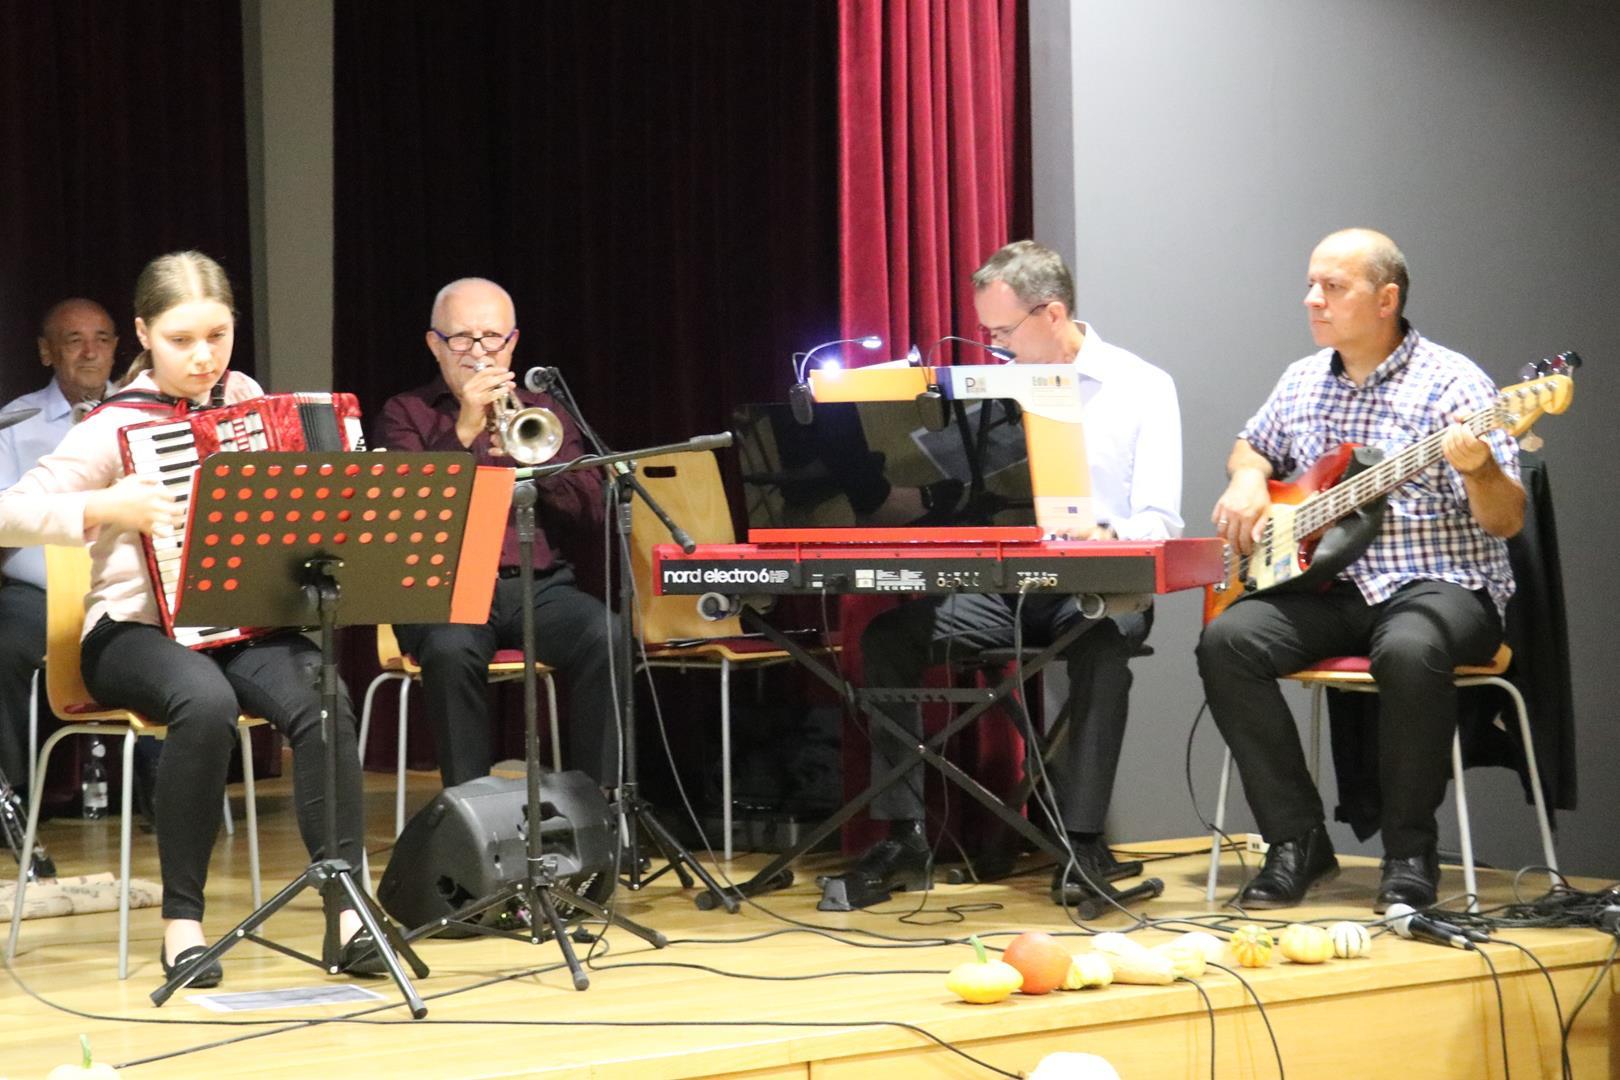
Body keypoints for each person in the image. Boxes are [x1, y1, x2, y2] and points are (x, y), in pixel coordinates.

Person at [0, 252, 380, 985]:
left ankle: (348, 914)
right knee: (203, 704)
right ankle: (183, 925)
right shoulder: (113, 425)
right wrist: (105, 506)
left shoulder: (246, 398)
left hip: (240, 623)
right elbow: (8, 511)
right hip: (131, 633)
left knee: (323, 695)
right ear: (144, 334)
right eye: (181, 340)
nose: (204, 357)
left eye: (217, 335)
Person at [848, 240, 1183, 906]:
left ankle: (1082, 840)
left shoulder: (1141, 385)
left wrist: (1102, 533)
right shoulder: (995, 389)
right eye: (988, 333)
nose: (994, 346)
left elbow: (1160, 520)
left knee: (1102, 645)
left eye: (1002, 331)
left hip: (1096, 587)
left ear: (1052, 314)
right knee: (888, 639)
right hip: (1007, 588)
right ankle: (904, 831)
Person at [1197, 227, 1522, 911]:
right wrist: (1249, 478)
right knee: (1228, 641)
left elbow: (1505, 521)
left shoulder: (1454, 383)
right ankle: (1297, 841)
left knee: (1408, 648)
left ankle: (1409, 853)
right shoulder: (1301, 379)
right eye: (1311, 285)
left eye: (1333, 287)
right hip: (1332, 587)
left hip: (1441, 584)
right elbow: (1251, 446)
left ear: (1386, 299)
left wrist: (1480, 469)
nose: (1312, 299)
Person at [378, 278, 615, 792]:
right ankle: (471, 813)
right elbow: (406, 515)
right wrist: (463, 431)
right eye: (462, 338)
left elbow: (593, 511)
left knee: (607, 636)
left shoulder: (543, 411)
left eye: (491, 337)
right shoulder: (405, 413)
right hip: (445, 590)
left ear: (512, 343)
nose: (479, 351)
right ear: (434, 344)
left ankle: (597, 807)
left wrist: (538, 463)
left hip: (537, 585)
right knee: (450, 652)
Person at [0, 299, 119, 801]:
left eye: (102, 339)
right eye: (74, 341)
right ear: (47, 352)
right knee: (5, 649)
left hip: (125, 590)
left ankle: (164, 792)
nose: (90, 352)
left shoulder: (140, 414)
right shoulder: (15, 423)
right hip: (41, 594)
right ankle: (16, 800)